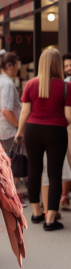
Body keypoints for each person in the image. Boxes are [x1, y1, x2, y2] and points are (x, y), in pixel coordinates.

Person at [15, 48, 71, 231]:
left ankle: (37, 213)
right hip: (56, 131)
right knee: (55, 174)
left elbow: (24, 111)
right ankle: (50, 219)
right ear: (58, 65)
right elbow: (68, 117)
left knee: (34, 171)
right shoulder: (66, 87)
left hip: (32, 130)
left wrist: (19, 131)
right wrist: (57, 120)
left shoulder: (30, 84)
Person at [0, 50, 20, 153]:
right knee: (13, 165)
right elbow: (6, 111)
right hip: (9, 131)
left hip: (3, 129)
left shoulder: (0, 80)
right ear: (11, 67)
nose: (18, 68)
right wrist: (19, 126)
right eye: (17, 65)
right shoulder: (7, 83)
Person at [61, 53, 71, 207]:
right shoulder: (64, 84)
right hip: (68, 126)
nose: (69, 69)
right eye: (66, 66)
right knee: (67, 162)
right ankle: (64, 195)